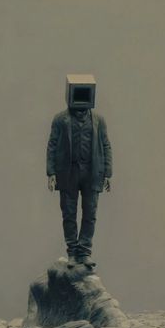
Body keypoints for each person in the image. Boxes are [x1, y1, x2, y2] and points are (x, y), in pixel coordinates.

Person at [46, 75, 112, 269]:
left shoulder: (99, 120)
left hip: (92, 172)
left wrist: (107, 173)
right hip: (68, 172)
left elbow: (106, 145)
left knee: (90, 213)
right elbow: (52, 145)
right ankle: (72, 251)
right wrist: (51, 173)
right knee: (69, 213)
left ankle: (84, 251)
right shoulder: (60, 119)